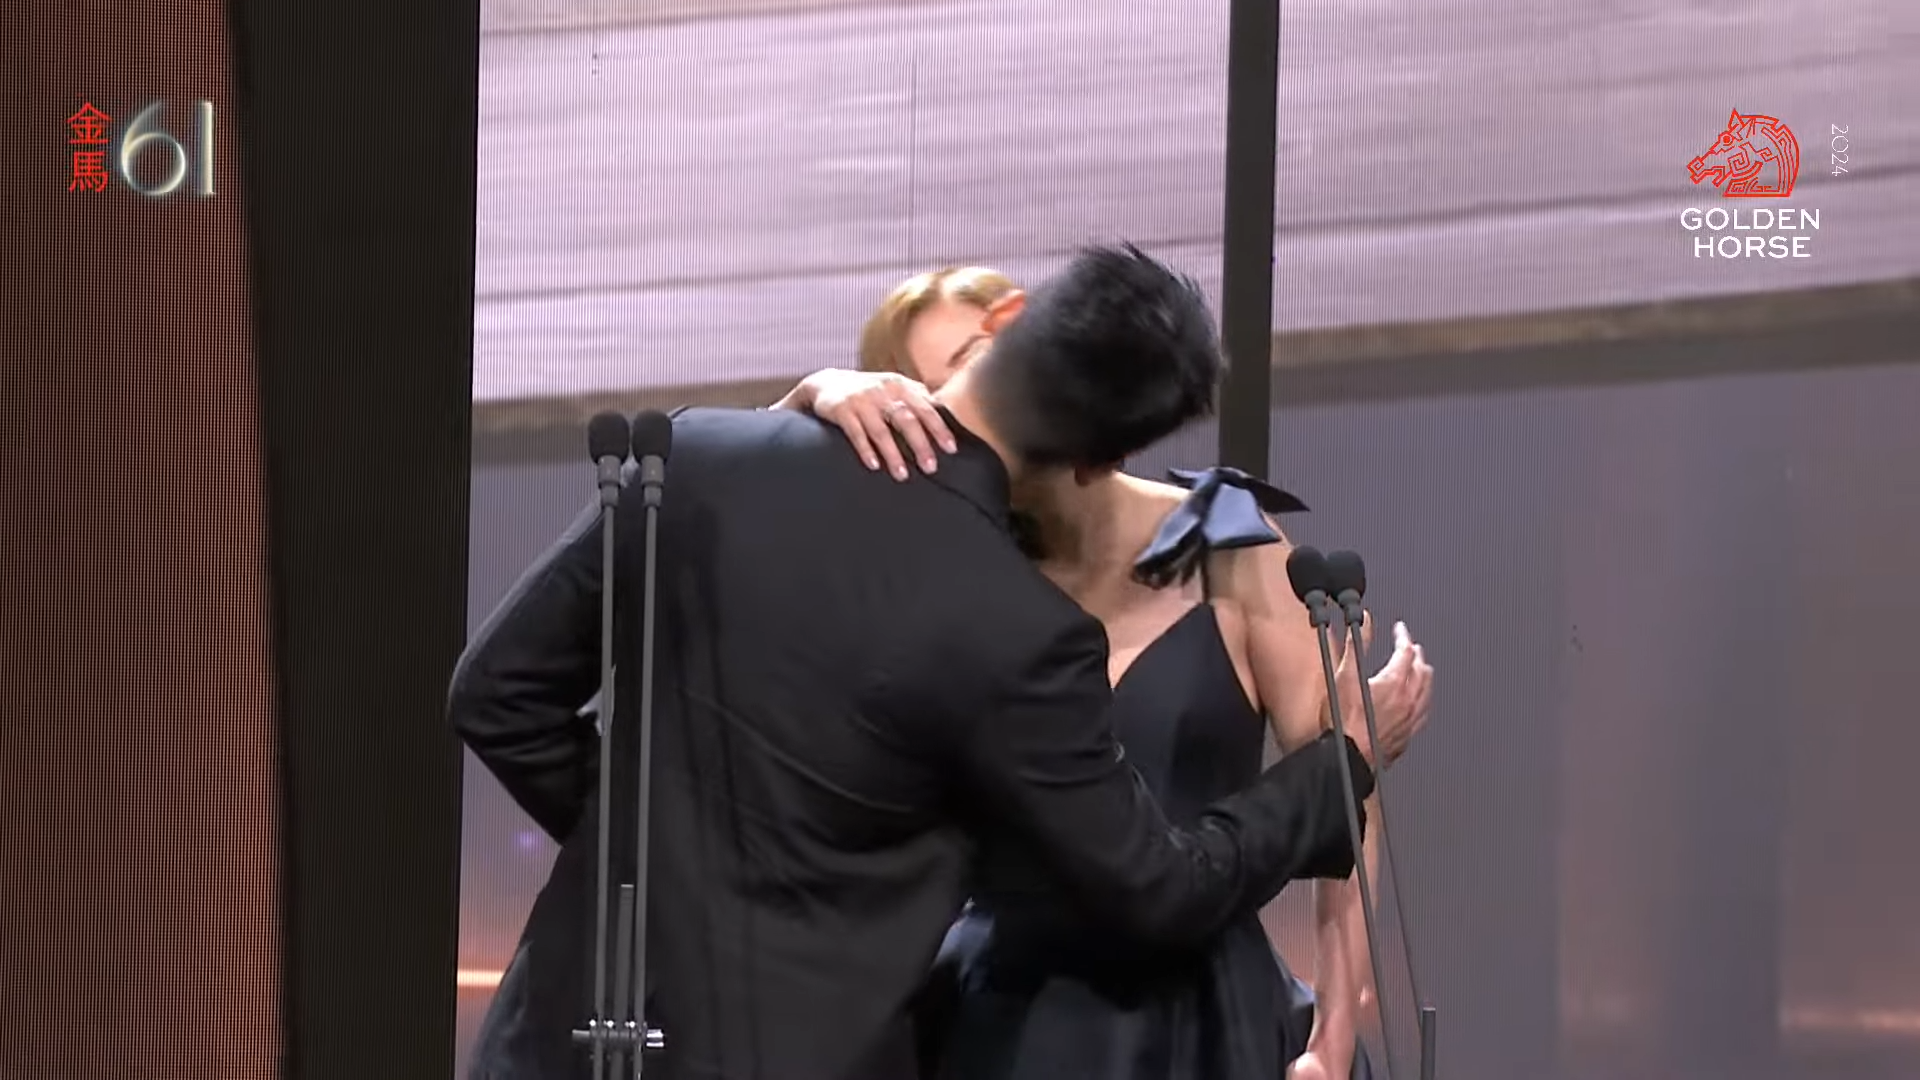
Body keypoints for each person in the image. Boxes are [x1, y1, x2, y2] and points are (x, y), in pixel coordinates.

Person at [449, 244, 1427, 1080]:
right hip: (886, 1030)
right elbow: (1157, 883)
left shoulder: (697, 454)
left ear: (1005, 321)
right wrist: (1340, 763)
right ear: (1096, 454)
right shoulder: (1011, 619)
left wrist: (665, 862)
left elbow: (497, 696)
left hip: (571, 1038)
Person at [768, 268, 1431, 1080]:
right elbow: (749, 531)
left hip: (1208, 1020)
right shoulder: (943, 582)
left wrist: (1331, 1038)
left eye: (972, 363)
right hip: (1000, 1018)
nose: (960, 407)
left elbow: (1346, 799)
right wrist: (811, 398)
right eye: (924, 390)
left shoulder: (1229, 545)